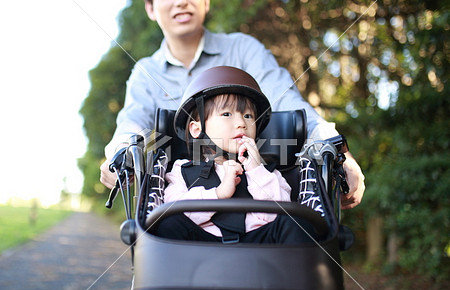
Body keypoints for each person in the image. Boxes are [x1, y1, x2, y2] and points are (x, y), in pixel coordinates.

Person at [100, 0, 365, 210]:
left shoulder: (243, 49)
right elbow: (132, 122)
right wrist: (120, 154)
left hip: (254, 196)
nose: (181, 2)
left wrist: (339, 150)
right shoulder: (145, 72)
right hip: (181, 207)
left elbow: (288, 100)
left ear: (206, 2)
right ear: (150, 8)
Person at [153, 66, 322, 244]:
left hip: (259, 246)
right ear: (197, 129)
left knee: (296, 221)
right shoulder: (183, 169)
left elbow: (278, 215)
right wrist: (218, 194)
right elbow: (174, 209)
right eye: (226, 114)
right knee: (169, 222)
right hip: (203, 245)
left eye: (248, 116)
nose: (242, 123)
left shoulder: (268, 173)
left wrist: (256, 170)